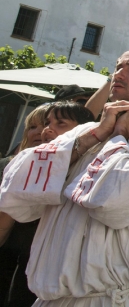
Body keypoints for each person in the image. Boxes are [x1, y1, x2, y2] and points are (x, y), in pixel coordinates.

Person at [0, 47, 129, 306]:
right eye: (118, 66)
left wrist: (118, 135)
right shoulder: (85, 132)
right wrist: (93, 137)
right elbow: (15, 188)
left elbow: (113, 204)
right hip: (50, 298)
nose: (119, 73)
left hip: (111, 298)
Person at [0, 104, 51, 307]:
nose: (39, 131)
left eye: (46, 124)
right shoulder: (6, 166)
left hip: (37, 270)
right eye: (32, 126)